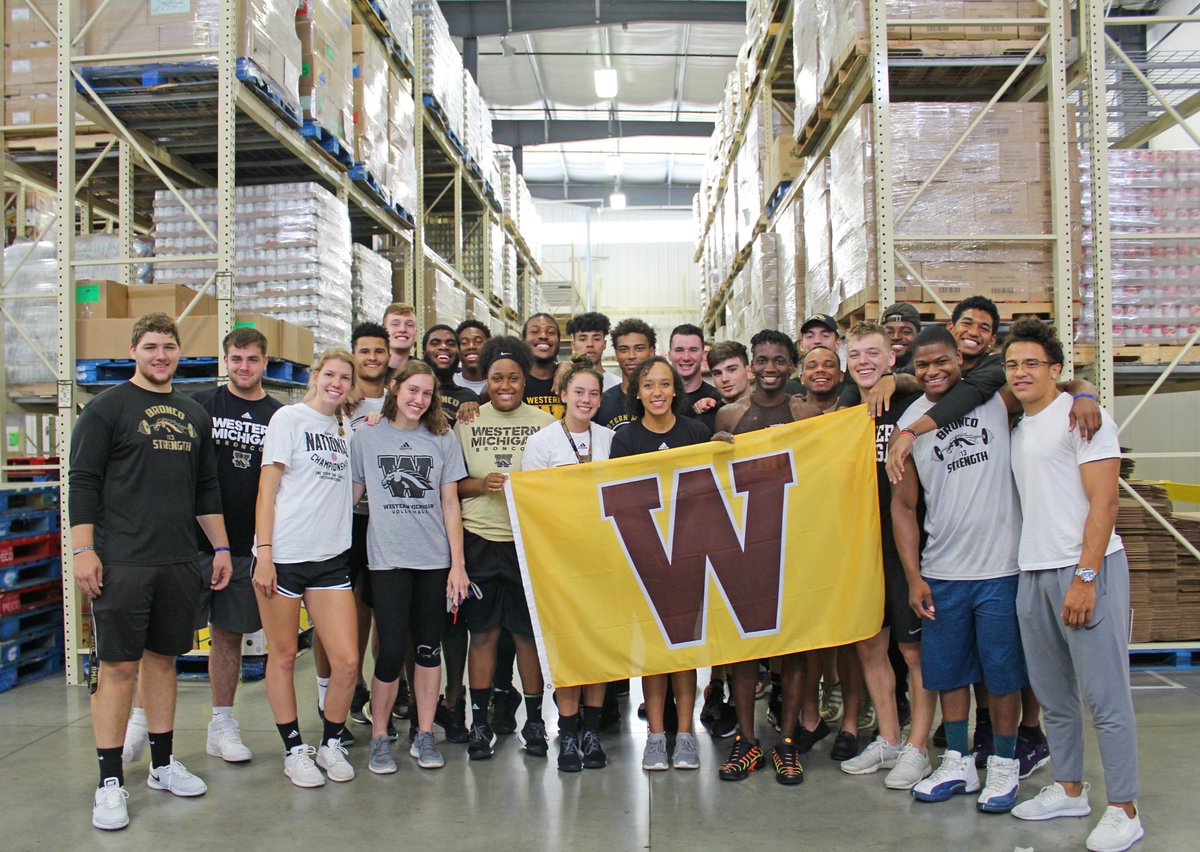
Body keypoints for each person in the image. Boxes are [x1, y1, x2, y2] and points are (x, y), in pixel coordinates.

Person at [71, 312, 232, 830]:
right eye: (151, 346)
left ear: (179, 353)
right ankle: (110, 780)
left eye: (169, 346)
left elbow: (206, 488)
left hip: (180, 560)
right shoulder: (106, 409)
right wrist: (82, 551)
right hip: (122, 562)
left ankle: (162, 764)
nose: (160, 355)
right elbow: (82, 482)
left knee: (163, 662)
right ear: (134, 351)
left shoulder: (192, 414)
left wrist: (221, 547)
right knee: (118, 668)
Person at [1005, 320, 1144, 851]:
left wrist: (1086, 577)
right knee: (1053, 695)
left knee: (1106, 697)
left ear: (1057, 370)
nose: (1021, 372)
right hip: (1034, 569)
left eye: (1032, 363)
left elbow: (1104, 503)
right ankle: (1068, 787)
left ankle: (1126, 808)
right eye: (1014, 364)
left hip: (1086, 568)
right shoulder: (1021, 425)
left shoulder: (1084, 417)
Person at [891, 326, 1026, 814]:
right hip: (943, 570)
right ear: (912, 368)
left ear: (959, 359)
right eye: (922, 365)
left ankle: (1005, 765)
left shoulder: (995, 400)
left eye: (941, 361)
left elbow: (1054, 385)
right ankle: (958, 760)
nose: (933, 371)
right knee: (947, 673)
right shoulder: (909, 422)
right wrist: (913, 575)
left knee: (1002, 674)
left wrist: (1084, 394)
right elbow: (903, 508)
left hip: (1001, 568)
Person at [710, 330, 820, 785]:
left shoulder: (806, 412)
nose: (770, 367)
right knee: (743, 648)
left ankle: (788, 742)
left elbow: (820, 473)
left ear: (792, 366)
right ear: (751, 365)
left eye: (780, 360)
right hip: (744, 543)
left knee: (794, 646)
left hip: (792, 540)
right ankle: (746, 740)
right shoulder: (731, 414)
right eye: (762, 360)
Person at [350, 360, 470, 774]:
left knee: (427, 648)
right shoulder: (366, 435)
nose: (419, 400)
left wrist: (458, 565)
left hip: (433, 559)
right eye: (412, 390)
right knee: (388, 655)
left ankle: (423, 733)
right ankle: (381, 736)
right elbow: (350, 496)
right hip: (387, 561)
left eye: (426, 393)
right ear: (394, 387)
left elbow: (450, 503)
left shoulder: (442, 436)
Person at [837, 322, 936, 791]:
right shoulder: (840, 411)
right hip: (860, 545)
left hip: (907, 544)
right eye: (855, 354)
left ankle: (919, 746)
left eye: (873, 354)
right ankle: (890, 738)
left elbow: (943, 383)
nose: (864, 362)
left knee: (913, 650)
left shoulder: (909, 402)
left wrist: (902, 381)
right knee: (869, 644)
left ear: (892, 358)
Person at [254, 349, 358, 789]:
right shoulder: (288, 419)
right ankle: (295, 749)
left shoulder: (346, 427)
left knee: (348, 661)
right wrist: (264, 551)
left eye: (344, 378)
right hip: (286, 556)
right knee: (281, 655)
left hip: (330, 556)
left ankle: (331, 741)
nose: (336, 382)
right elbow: (268, 486)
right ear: (315, 376)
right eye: (329, 374)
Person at [453, 337, 556, 760]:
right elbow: (452, 485)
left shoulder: (547, 423)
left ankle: (535, 723)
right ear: (487, 381)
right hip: (479, 541)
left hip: (525, 543)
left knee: (527, 636)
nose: (506, 385)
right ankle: (481, 724)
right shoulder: (468, 421)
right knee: (483, 635)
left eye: (514, 377)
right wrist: (482, 484)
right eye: (498, 378)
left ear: (525, 378)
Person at [610, 356, 713, 772]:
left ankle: (684, 733)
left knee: (684, 648)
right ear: (637, 391)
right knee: (653, 651)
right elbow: (619, 497)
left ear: (676, 390)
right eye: (648, 385)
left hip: (688, 554)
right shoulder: (626, 438)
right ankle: (656, 735)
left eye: (664, 384)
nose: (657, 392)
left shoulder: (696, 432)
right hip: (646, 557)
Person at [192, 327, 284, 763]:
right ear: (224, 361)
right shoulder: (201, 406)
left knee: (227, 636)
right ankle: (137, 721)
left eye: (252, 359)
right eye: (236, 359)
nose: (244, 367)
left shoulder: (279, 416)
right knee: (158, 637)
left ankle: (222, 724)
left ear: (265, 362)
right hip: (194, 542)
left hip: (248, 544)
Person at [522, 357, 617, 772]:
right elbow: (533, 506)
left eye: (594, 393)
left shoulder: (611, 439)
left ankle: (592, 732)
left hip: (603, 560)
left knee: (598, 646)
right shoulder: (542, 443)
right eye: (578, 392)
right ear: (562, 395)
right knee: (567, 649)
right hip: (559, 564)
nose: (586, 399)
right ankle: (568, 729)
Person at [320, 323, 390, 737]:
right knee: (343, 611)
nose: (372, 358)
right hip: (339, 520)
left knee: (381, 607)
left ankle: (377, 691)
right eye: (364, 351)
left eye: (378, 351)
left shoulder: (398, 399)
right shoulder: (337, 401)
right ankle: (337, 693)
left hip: (384, 518)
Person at [593, 317, 656, 431]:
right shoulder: (601, 403)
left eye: (639, 348)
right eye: (624, 349)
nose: (631, 355)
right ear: (616, 354)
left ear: (652, 352)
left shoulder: (663, 400)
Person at [423, 323, 480, 426]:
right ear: (424, 353)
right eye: (435, 343)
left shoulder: (469, 397)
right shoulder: (415, 394)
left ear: (458, 354)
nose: (444, 346)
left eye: (450, 343)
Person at [668, 323, 721, 419]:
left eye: (693, 350)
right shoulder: (659, 400)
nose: (686, 357)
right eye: (679, 350)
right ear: (669, 355)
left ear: (703, 355)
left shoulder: (716, 400)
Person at [521, 312, 565, 419]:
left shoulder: (570, 379)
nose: (543, 336)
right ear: (523, 341)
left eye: (550, 332)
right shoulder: (514, 381)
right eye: (534, 331)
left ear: (559, 342)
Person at [566, 311, 621, 391]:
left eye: (596, 339)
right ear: (573, 345)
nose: (590, 344)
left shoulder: (618, 384)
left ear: (604, 344)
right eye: (583, 339)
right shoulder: (563, 382)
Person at [454, 319, 491, 396]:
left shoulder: (498, 385)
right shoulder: (449, 382)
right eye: (464, 342)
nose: (471, 346)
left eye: (478, 341)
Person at [882, 303, 921, 373]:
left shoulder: (926, 375)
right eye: (889, 332)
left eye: (905, 332)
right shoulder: (870, 375)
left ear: (918, 335)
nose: (896, 337)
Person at [383, 302, 417, 372]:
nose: (402, 329)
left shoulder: (423, 372)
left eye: (409, 325)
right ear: (384, 331)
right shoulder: (373, 371)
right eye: (395, 324)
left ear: (416, 334)